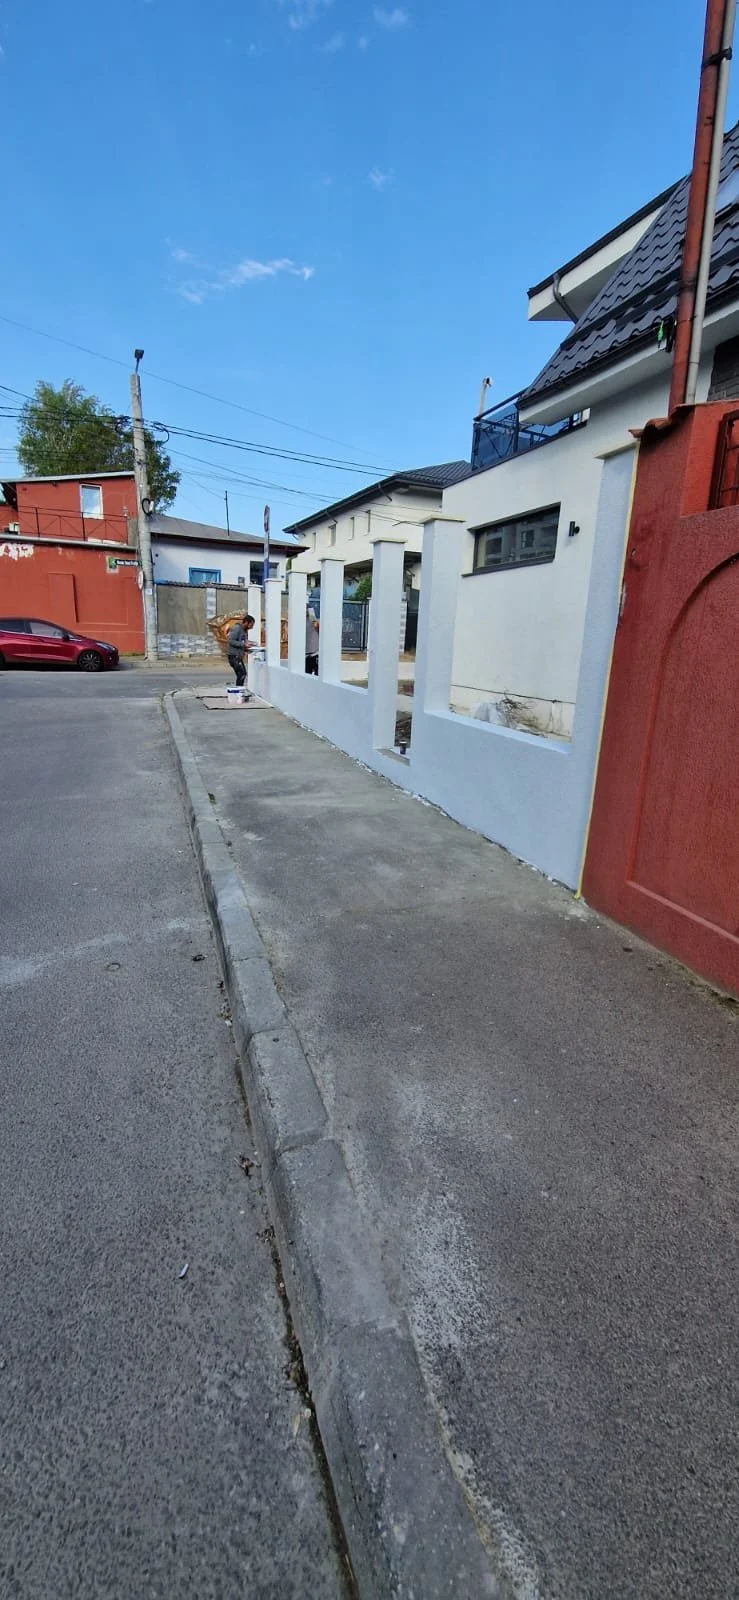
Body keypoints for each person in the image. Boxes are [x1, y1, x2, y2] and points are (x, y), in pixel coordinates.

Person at [226, 613, 255, 690]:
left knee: (241, 674)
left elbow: (242, 642)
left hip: (238, 656)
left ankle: (239, 692)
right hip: (233, 656)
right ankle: (238, 692)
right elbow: (230, 641)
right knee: (242, 674)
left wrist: (248, 647)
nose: (251, 627)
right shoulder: (237, 628)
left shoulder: (244, 631)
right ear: (246, 622)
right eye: (250, 625)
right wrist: (243, 645)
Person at [305, 606, 320, 674]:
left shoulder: (313, 620)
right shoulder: (299, 621)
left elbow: (317, 626)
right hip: (305, 656)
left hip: (315, 654)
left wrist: (311, 613)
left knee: (318, 675)